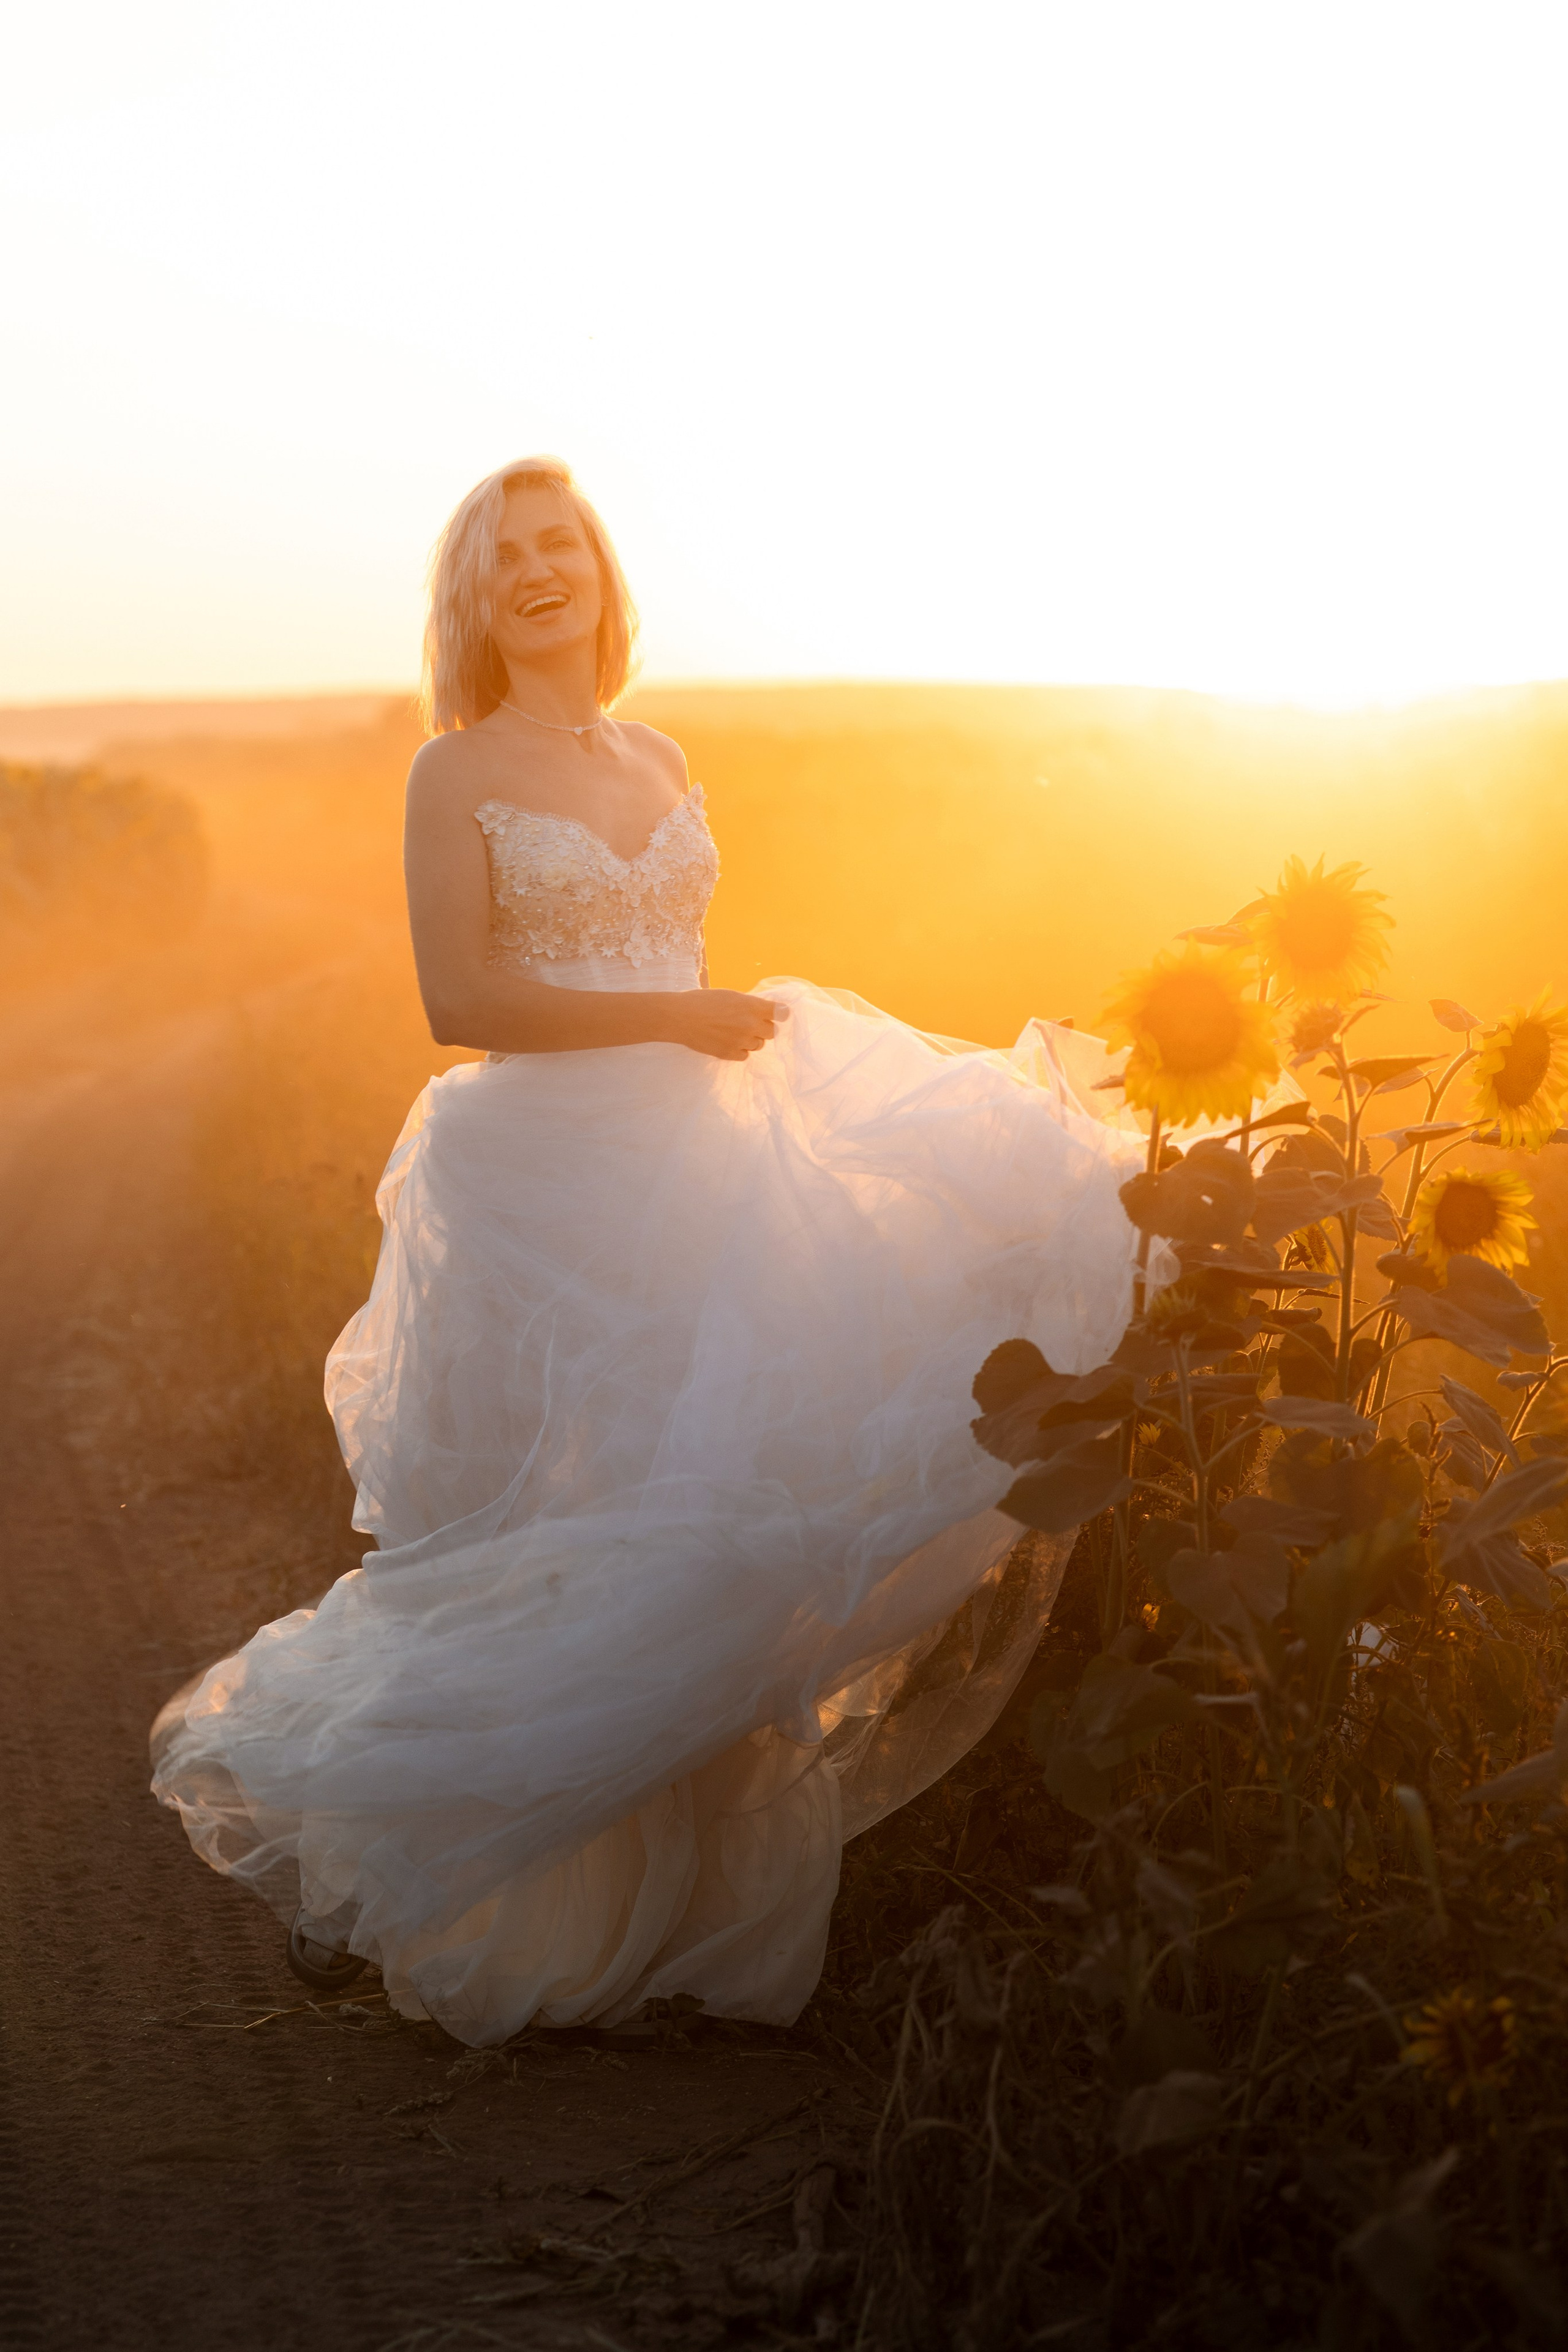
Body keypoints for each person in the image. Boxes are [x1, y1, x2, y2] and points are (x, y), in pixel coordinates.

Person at [152, 458, 1147, 2047]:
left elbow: (674, 957)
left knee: (709, 1519)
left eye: (564, 545)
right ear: (472, 600)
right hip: (547, 1181)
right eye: (506, 556)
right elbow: (461, 1004)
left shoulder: (658, 750)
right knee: (559, 1529)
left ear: (604, 580)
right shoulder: (453, 767)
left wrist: (702, 1025)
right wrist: (678, 1014)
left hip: (706, 1166)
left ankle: (653, 1902)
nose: (540, 571)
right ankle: (398, 1854)